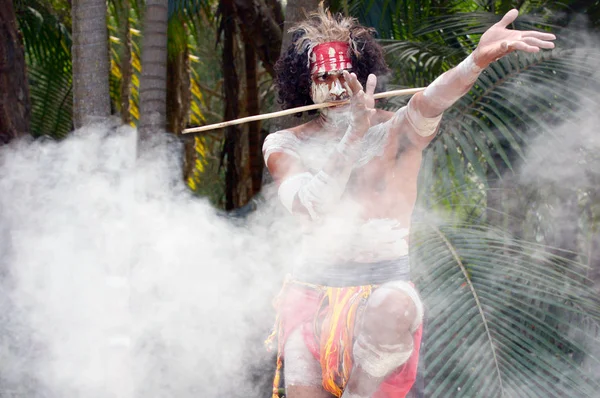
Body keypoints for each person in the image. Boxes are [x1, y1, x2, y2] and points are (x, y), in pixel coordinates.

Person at [263, 6, 555, 398]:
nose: (335, 89)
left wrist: (477, 60)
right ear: (305, 84)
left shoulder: (397, 129)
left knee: (391, 307)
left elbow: (432, 100)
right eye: (323, 78)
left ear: (362, 78)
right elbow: (313, 203)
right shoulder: (284, 144)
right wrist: (352, 136)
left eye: (343, 76)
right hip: (310, 297)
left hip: (384, 296)